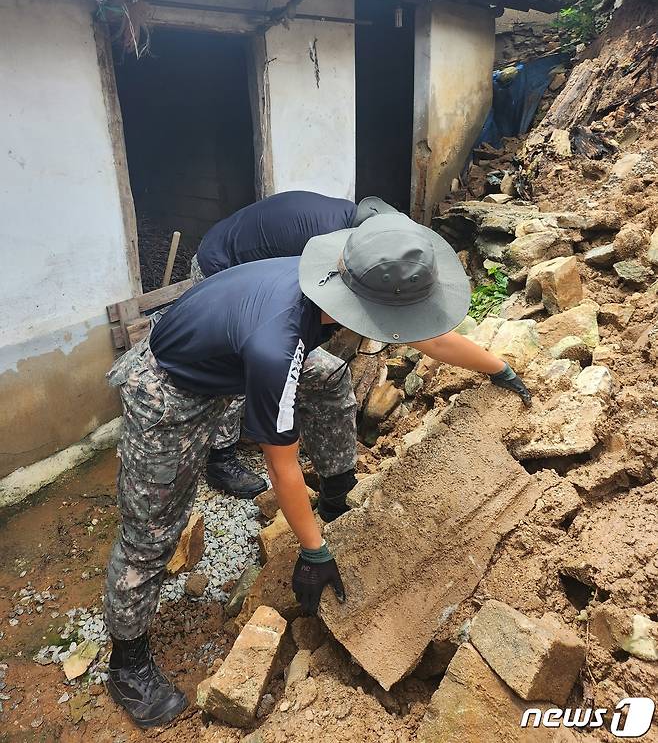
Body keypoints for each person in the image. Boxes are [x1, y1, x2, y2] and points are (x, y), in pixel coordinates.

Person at [104, 213, 531, 728]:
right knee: (150, 532)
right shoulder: (276, 345)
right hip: (170, 390)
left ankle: (336, 487)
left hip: (228, 351)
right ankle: (126, 665)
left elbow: (432, 338)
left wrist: (499, 369)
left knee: (327, 375)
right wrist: (313, 551)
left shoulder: (334, 279)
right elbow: (281, 465)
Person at [188, 190, 398, 500]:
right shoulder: (326, 243)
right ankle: (221, 460)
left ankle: (337, 486)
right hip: (221, 271)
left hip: (263, 277)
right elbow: (295, 311)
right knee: (235, 372)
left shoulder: (348, 225)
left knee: (326, 373)